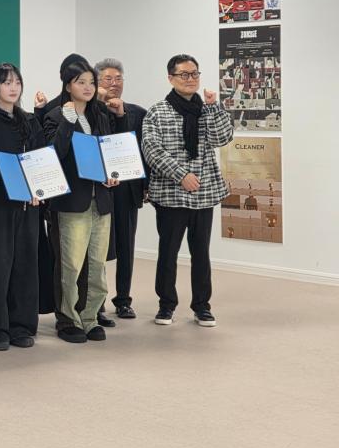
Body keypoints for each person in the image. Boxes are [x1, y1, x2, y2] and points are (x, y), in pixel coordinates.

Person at [142, 54, 233, 328]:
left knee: (201, 253)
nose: (190, 79)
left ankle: (202, 306)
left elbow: (222, 138)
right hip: (170, 194)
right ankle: (166, 305)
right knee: (168, 253)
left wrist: (214, 107)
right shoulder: (157, 111)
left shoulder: (207, 109)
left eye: (194, 74)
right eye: (184, 74)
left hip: (203, 194)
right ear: (171, 78)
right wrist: (181, 175)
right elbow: (151, 150)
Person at [43, 60, 128, 344]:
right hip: (71, 202)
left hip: (101, 200)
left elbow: (110, 151)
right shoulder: (55, 115)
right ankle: (68, 319)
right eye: (81, 82)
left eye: (92, 82)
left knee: (96, 264)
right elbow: (55, 154)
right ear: (68, 86)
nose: (88, 88)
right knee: (71, 266)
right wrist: (68, 121)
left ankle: (90, 316)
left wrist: (113, 175)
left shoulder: (99, 114)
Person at [0, 63, 44, 351]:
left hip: (27, 203)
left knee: (25, 265)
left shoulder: (29, 120)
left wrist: (39, 188)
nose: (13, 88)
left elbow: (39, 158)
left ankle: (22, 326)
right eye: (6, 83)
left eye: (17, 82)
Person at [95, 58, 148, 320]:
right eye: (107, 79)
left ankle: (124, 300)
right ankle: (97, 301)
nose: (114, 83)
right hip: (99, 189)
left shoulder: (138, 113)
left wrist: (146, 186)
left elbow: (144, 152)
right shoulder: (90, 113)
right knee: (99, 248)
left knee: (126, 246)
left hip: (127, 190)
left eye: (118, 78)